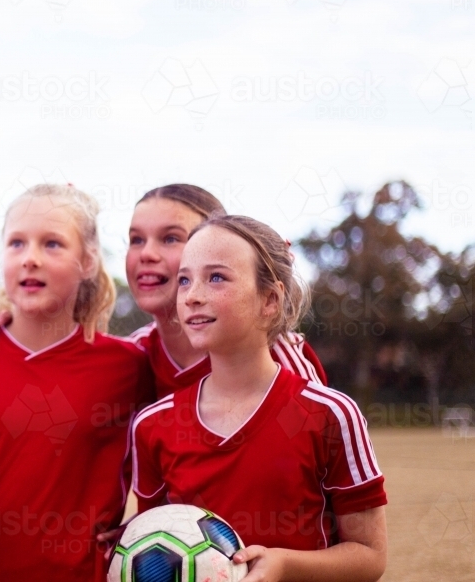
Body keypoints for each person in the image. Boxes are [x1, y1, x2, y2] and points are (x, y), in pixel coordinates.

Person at [131, 215, 387, 582]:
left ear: (270, 299)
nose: (192, 296)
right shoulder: (152, 425)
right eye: (185, 279)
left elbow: (370, 556)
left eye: (216, 277)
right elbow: (154, 545)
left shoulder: (331, 414)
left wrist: (285, 564)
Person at [0, 184, 156, 582]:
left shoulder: (128, 366)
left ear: (87, 261)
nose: (30, 258)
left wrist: (141, 530)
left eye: (52, 244)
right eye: (16, 243)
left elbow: (168, 463)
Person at [0, 184, 327, 397]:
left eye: (171, 238)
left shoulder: (277, 355)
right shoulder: (135, 357)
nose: (147, 254)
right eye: (136, 239)